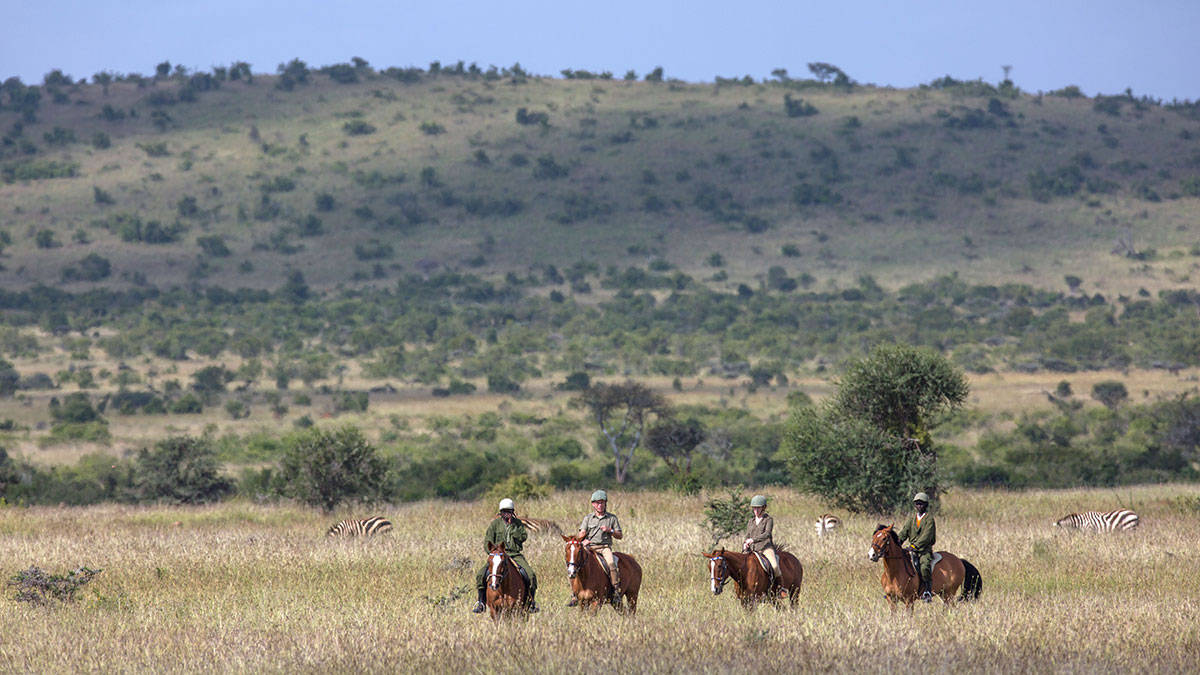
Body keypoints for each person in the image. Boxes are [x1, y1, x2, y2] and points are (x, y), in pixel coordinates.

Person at [472, 498, 538, 613]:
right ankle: (481, 602)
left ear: (513, 512)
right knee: (480, 575)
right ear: (500, 512)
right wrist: (493, 553)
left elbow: (523, 537)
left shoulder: (517, 524)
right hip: (498, 556)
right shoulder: (494, 524)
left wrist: (512, 528)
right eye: (504, 511)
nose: (506, 514)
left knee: (531, 575)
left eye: (509, 511)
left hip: (514, 554)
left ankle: (530, 602)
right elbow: (487, 541)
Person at [567, 489, 623, 606]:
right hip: (589, 547)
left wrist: (610, 530)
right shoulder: (588, 518)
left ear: (605, 503)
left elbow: (619, 535)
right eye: (597, 502)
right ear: (593, 504)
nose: (600, 505)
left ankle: (615, 592)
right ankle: (574, 594)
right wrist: (581, 541)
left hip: (604, 547)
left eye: (602, 502)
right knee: (574, 563)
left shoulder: (611, 518)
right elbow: (582, 533)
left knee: (612, 564)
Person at [896, 492, 936, 602]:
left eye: (922, 504)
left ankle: (927, 591)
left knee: (924, 566)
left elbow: (926, 536)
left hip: (924, 550)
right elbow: (904, 532)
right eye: (917, 504)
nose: (919, 506)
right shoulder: (911, 519)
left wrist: (914, 546)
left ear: (926, 505)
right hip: (912, 551)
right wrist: (897, 541)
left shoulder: (929, 519)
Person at [743, 494, 784, 596]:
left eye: (758, 508)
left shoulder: (768, 520)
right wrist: (745, 544)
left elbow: (767, 534)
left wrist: (753, 540)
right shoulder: (750, 521)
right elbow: (747, 535)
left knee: (775, 566)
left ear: (763, 508)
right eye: (754, 508)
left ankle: (780, 589)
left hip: (765, 548)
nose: (755, 510)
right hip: (752, 550)